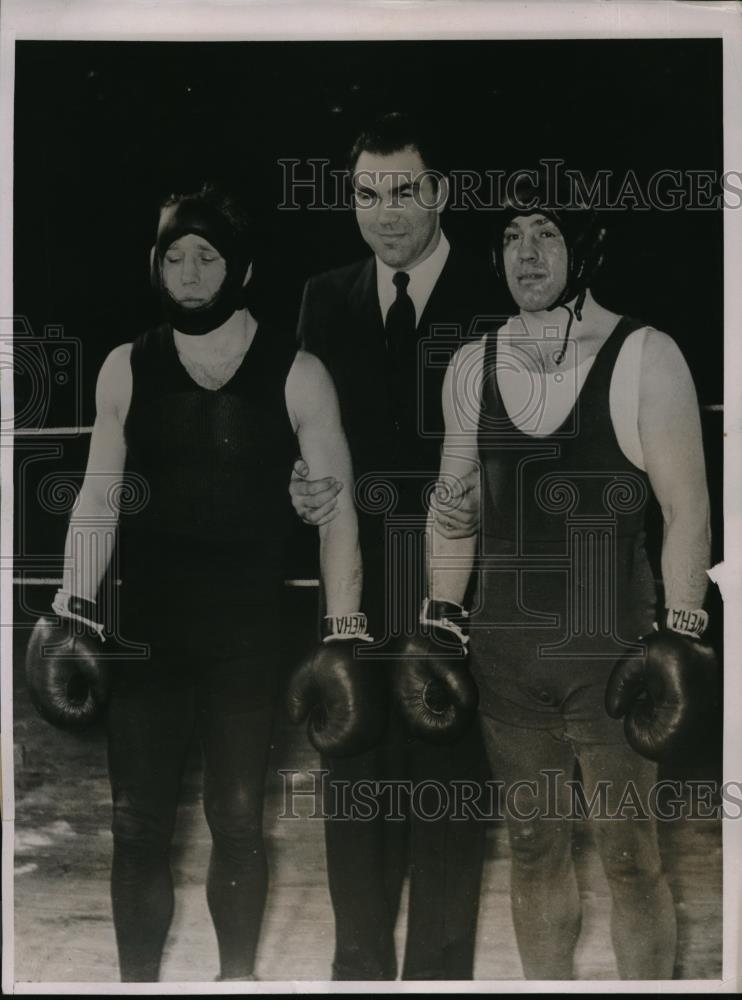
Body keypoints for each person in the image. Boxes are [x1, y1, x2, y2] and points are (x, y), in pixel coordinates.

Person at [25, 183, 375, 983]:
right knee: (137, 826)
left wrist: (344, 633)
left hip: (247, 644)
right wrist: (71, 607)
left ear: (241, 267)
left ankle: (237, 982)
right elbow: (98, 499)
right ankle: (138, 986)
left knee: (240, 825)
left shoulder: (299, 373)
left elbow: (338, 512)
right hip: (146, 639)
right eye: (172, 256)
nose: (187, 273)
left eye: (206, 256)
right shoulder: (127, 367)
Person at [419, 170, 717, 980]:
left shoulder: (645, 355)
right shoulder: (471, 364)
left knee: (630, 858)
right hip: (507, 663)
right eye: (512, 235)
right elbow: (455, 510)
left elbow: (688, 509)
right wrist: (439, 616)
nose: (527, 251)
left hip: (613, 661)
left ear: (583, 245)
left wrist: (681, 630)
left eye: (546, 231)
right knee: (533, 850)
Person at [288, 112, 501, 981]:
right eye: (368, 194)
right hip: (355, 595)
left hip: (464, 596)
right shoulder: (324, 296)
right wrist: (294, 488)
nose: (386, 212)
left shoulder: (496, 293)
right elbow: (306, 442)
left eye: (405, 190)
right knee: (356, 825)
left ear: (440, 193)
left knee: (449, 827)